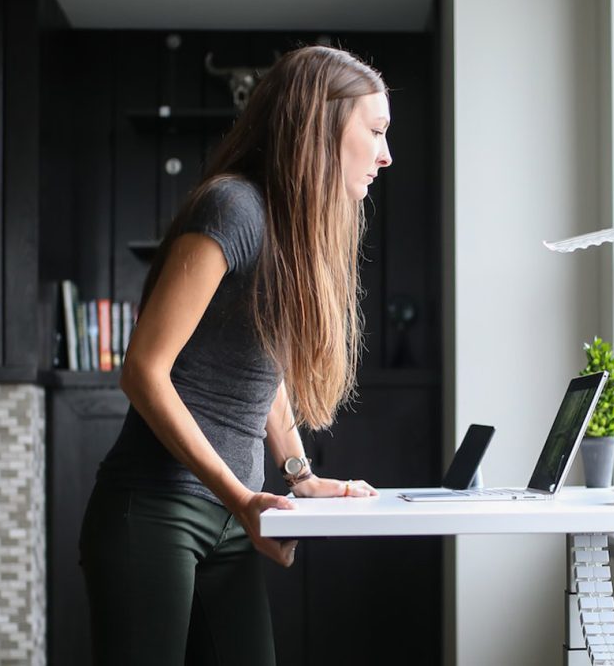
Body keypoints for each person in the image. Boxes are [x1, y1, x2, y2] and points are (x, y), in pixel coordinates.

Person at [78, 45, 392, 665]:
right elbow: (143, 370)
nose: (386, 155)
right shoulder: (234, 207)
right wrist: (242, 498)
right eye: (376, 131)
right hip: (157, 511)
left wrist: (299, 475)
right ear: (322, 125)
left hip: (229, 513)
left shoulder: (291, 227)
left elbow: (261, 363)